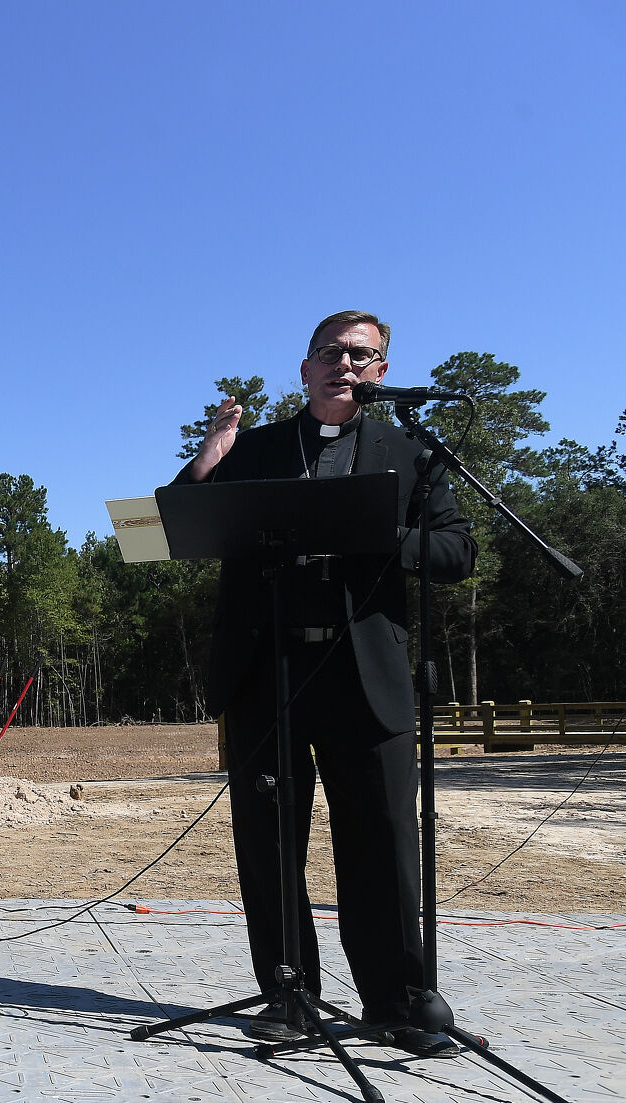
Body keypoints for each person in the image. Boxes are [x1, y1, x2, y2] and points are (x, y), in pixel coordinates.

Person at [166, 310, 477, 1057]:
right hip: (265, 671)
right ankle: (289, 994)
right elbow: (179, 524)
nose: (345, 363)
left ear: (380, 372)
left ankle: (398, 999)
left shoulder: (413, 455)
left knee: (383, 840)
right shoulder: (260, 448)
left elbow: (457, 550)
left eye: (362, 355)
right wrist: (208, 460)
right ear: (303, 369)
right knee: (270, 842)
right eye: (330, 352)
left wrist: (377, 533)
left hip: (364, 675)